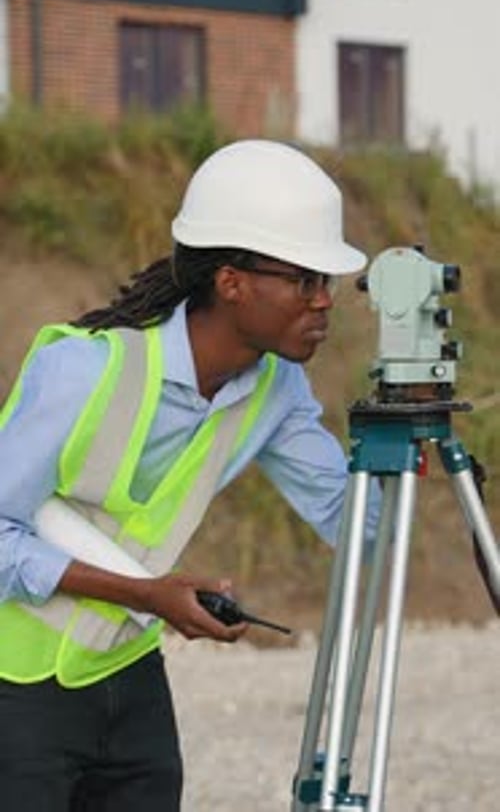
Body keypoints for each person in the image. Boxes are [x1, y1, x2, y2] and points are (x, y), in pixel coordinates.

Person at [0, 139, 381, 811]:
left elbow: (358, 524)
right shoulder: (85, 370)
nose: (324, 301)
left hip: (128, 677)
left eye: (328, 282)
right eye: (305, 280)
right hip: (16, 682)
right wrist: (146, 594)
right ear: (231, 282)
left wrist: (403, 443)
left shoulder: (276, 389)